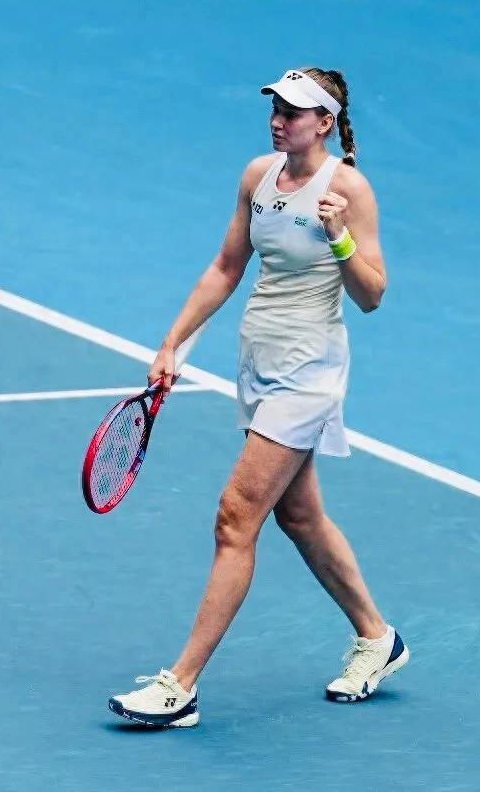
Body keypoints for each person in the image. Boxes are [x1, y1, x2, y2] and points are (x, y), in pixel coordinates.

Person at [108, 67, 407, 728]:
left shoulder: (349, 189)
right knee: (298, 515)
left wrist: (340, 236)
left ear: (325, 123)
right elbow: (226, 268)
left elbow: (372, 295)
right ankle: (377, 636)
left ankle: (181, 685)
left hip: (309, 374)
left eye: (294, 111)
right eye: (276, 107)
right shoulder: (258, 177)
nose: (279, 119)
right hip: (258, 364)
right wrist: (172, 344)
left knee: (235, 518)